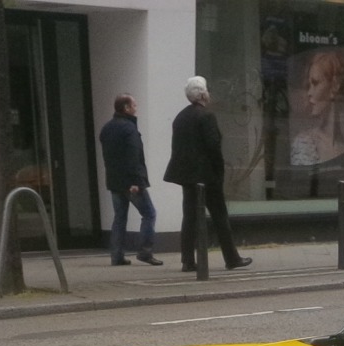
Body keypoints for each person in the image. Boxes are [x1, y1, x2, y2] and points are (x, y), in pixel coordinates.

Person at [163, 76, 251, 270]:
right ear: (203, 94)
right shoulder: (206, 116)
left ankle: (188, 261)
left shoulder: (181, 117)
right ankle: (232, 258)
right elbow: (213, 147)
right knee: (220, 216)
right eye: (207, 90)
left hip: (188, 177)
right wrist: (219, 172)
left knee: (189, 217)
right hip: (207, 177)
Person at [97, 93, 160, 265]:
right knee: (149, 213)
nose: (136, 108)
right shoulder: (129, 129)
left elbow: (109, 157)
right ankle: (145, 252)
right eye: (134, 105)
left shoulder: (107, 128)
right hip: (130, 182)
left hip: (114, 181)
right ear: (126, 108)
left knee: (119, 217)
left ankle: (116, 256)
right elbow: (134, 157)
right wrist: (136, 181)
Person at [290, 49, 344, 167]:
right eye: (309, 85)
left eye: (315, 83)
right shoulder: (304, 144)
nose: (309, 92)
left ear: (335, 86)